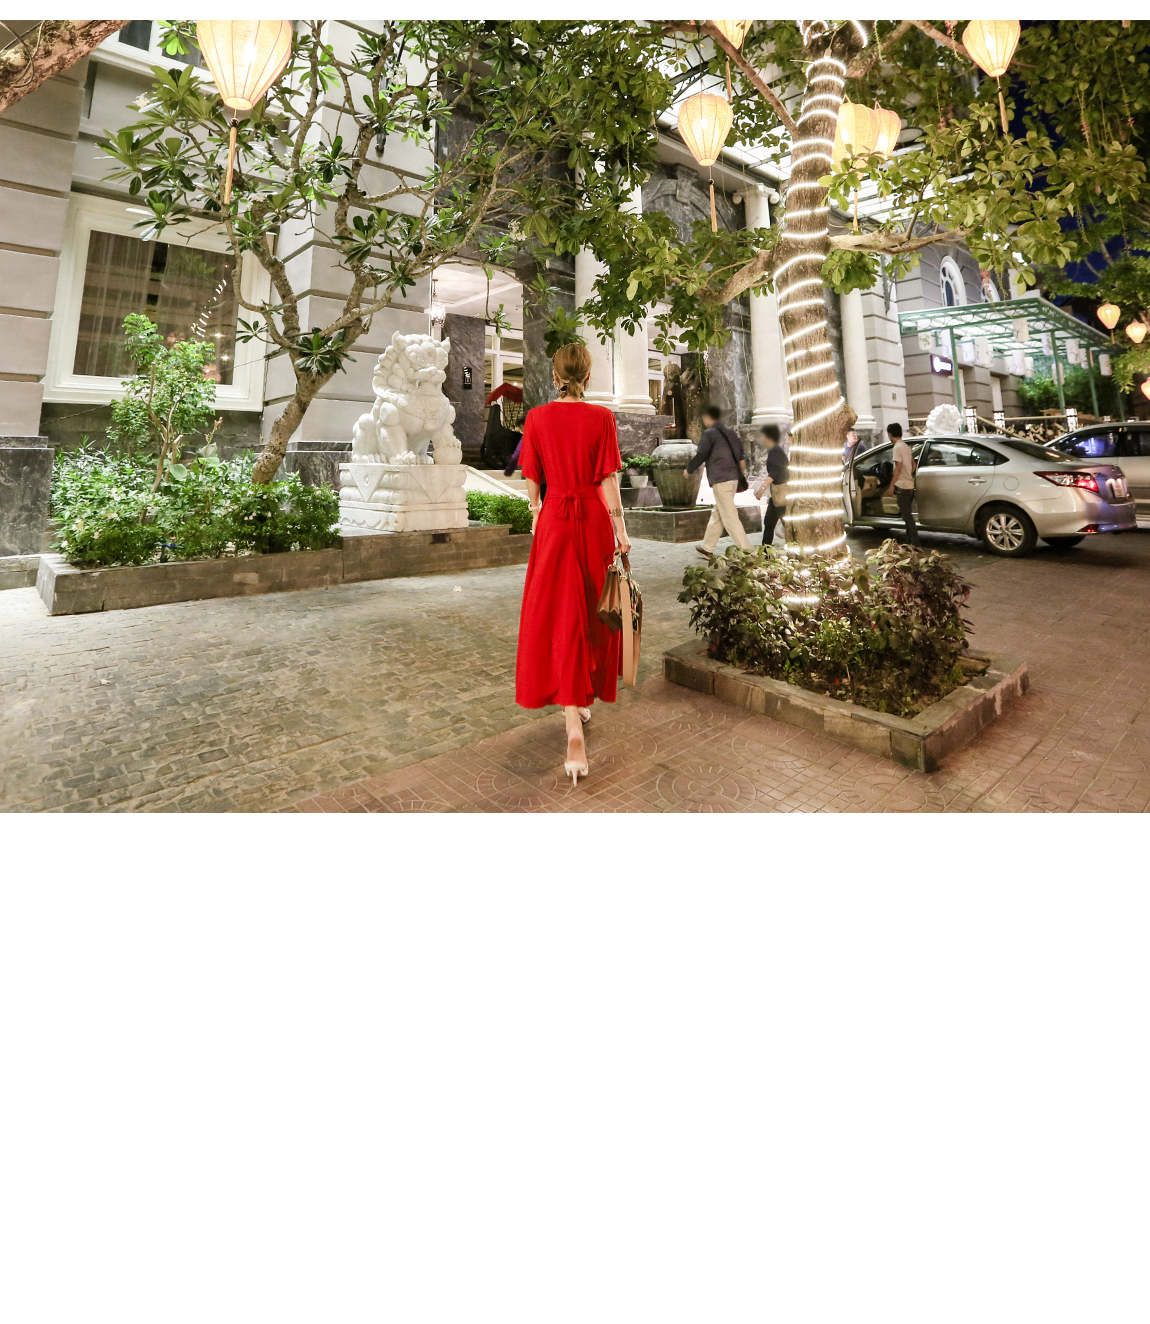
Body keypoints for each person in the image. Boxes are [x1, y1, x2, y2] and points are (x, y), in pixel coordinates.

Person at [515, 344, 631, 787]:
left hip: (555, 522)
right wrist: (620, 530)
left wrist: (536, 513)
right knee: (591, 612)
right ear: (588, 376)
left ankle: (572, 720)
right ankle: (578, 704)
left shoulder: (537, 418)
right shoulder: (602, 418)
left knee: (558, 616)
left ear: (555, 376)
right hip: (594, 523)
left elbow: (532, 476)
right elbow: (607, 481)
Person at [688, 406, 751, 558]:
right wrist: (739, 475)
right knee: (718, 513)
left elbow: (701, 454)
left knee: (729, 517)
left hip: (721, 479)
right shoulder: (731, 433)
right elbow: (741, 457)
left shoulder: (709, 433)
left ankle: (748, 553)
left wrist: (689, 469)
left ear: (708, 417)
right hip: (733, 478)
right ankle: (707, 547)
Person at [752, 424, 789, 548]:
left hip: (780, 493)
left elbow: (775, 472)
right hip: (778, 494)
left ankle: (766, 552)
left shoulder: (775, 451)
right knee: (771, 522)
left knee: (772, 523)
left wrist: (762, 488)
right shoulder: (776, 450)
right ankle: (766, 551)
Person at [886, 421, 920, 546]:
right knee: (907, 515)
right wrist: (908, 475)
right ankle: (909, 542)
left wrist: (892, 485)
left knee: (907, 517)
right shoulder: (905, 446)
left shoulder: (897, 447)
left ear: (890, 434)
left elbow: (898, 467)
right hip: (909, 485)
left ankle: (915, 543)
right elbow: (913, 464)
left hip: (902, 486)